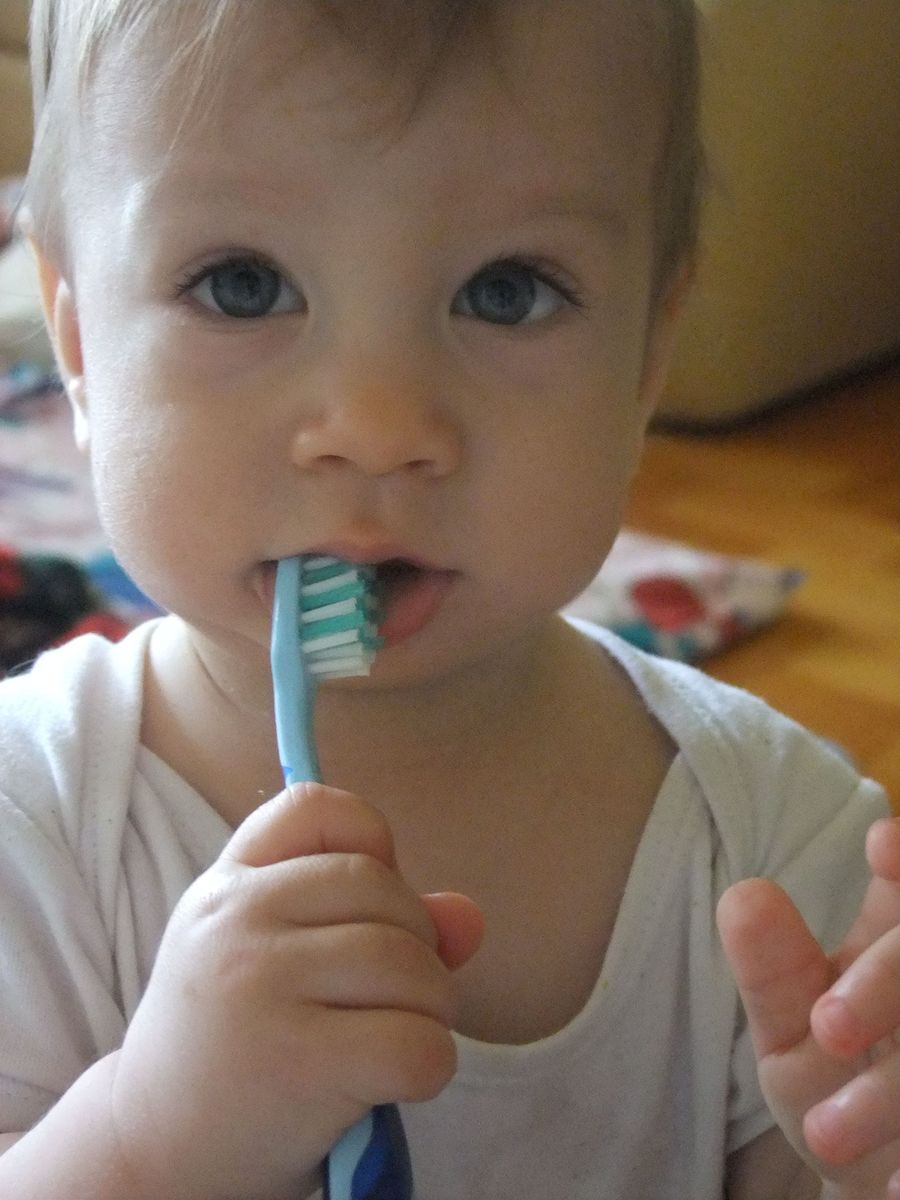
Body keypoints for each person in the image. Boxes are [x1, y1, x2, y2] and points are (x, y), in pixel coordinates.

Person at [0, 1, 897, 1196]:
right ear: (77, 340)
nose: (378, 426)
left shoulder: (776, 845)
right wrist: (145, 1138)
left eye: (506, 292)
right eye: (243, 285)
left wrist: (857, 1160)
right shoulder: (34, 826)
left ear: (647, 355)